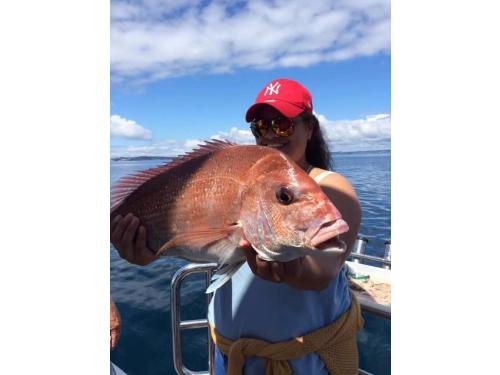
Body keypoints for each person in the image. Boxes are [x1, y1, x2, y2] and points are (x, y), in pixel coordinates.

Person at [111, 78, 362, 374]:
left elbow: (322, 270)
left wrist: (293, 269)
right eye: (260, 125)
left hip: (300, 360)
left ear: (310, 127)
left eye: (282, 124)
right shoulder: (252, 175)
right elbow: (193, 241)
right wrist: (151, 251)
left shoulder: (330, 187)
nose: (270, 134)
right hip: (229, 354)